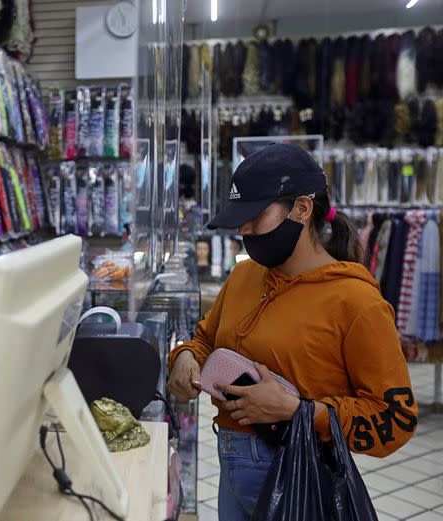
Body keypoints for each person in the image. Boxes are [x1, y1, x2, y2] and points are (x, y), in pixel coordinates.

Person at [167, 144, 417, 521]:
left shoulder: (356, 302)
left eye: (255, 216)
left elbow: (395, 420)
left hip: (301, 475)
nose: (244, 230)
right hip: (233, 470)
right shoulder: (245, 275)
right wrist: (185, 356)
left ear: (302, 209)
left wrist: (299, 411)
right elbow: (206, 337)